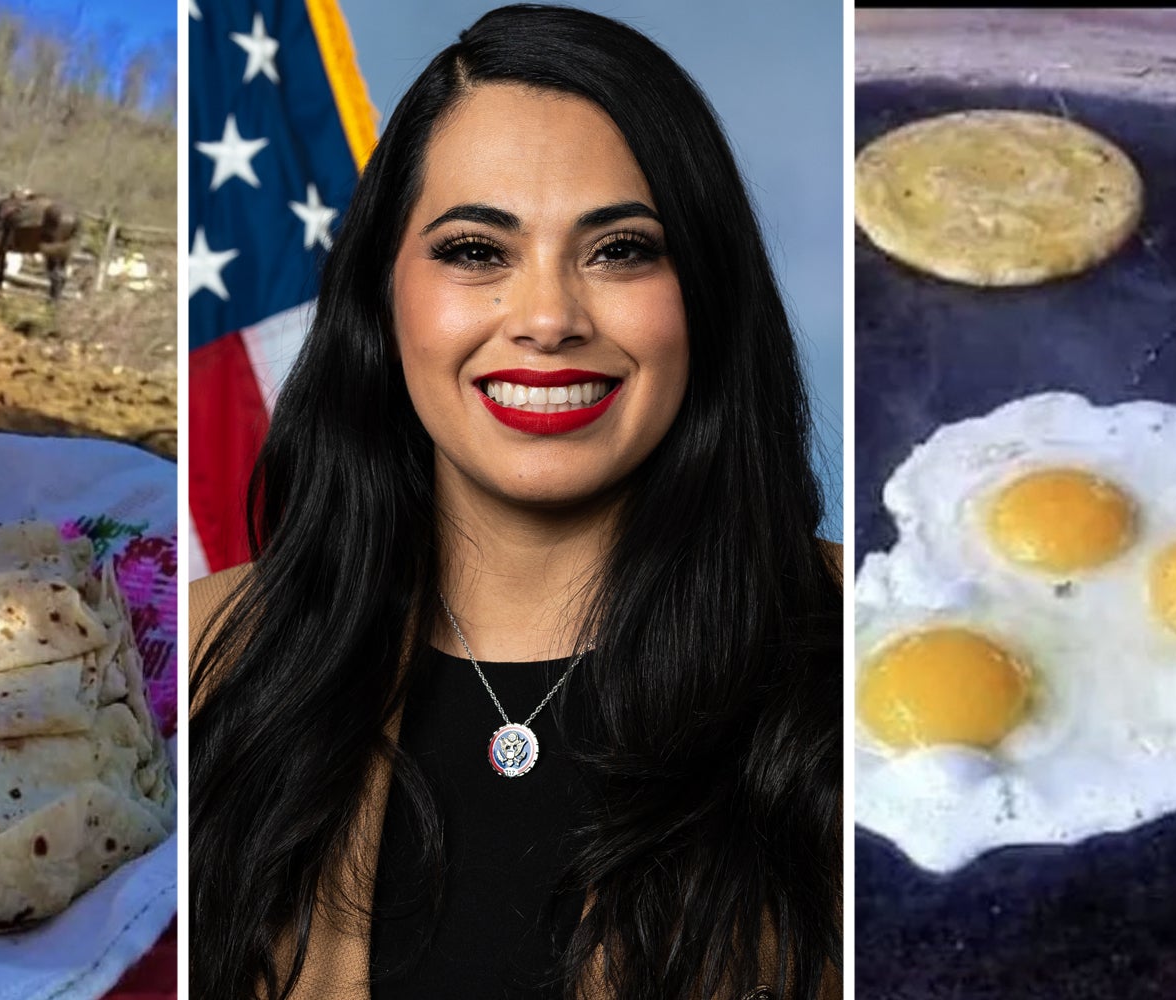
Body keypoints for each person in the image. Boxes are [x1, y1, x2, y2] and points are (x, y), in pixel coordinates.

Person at [189, 5, 843, 998]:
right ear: (383, 293)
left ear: (707, 293)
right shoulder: (206, 662)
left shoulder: (861, 647)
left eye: (620, 248)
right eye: (475, 250)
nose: (546, 318)